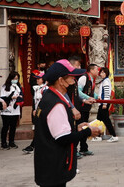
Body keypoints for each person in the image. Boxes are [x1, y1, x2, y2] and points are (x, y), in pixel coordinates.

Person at [34, 59, 101, 187]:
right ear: (60, 81)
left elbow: (55, 129)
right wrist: (88, 131)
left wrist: (77, 126)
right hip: (54, 167)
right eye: (71, 78)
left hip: (48, 165)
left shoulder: (50, 97)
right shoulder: (56, 103)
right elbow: (62, 138)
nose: (74, 82)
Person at [76, 63, 99, 156]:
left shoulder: (92, 79)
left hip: (86, 108)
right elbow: (78, 91)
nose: (98, 71)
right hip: (80, 107)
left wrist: (98, 97)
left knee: (85, 128)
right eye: (96, 69)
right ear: (92, 70)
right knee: (79, 128)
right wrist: (87, 98)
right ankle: (74, 150)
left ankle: (83, 148)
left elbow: (91, 93)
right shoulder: (84, 78)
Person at [23, 70, 47, 154]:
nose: (37, 80)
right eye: (36, 78)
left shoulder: (45, 89)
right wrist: (34, 109)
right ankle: (34, 146)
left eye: (39, 78)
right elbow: (35, 101)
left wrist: (38, 110)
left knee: (40, 129)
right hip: (37, 112)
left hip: (43, 112)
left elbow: (44, 102)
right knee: (38, 129)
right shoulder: (36, 88)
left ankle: (33, 146)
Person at [0, 72, 23, 149]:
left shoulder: (18, 86)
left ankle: (11, 142)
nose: (15, 80)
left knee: (13, 126)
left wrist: (19, 98)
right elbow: (2, 98)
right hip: (7, 109)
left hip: (15, 109)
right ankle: (3, 142)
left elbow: (21, 95)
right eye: (14, 79)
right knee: (6, 127)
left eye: (17, 79)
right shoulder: (5, 86)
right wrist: (11, 97)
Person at [94, 67, 118, 142]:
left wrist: (104, 103)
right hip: (103, 102)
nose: (101, 74)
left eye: (103, 72)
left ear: (106, 73)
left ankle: (113, 135)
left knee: (105, 120)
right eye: (101, 72)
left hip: (104, 103)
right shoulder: (104, 81)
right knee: (100, 119)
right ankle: (98, 135)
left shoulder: (106, 81)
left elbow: (107, 93)